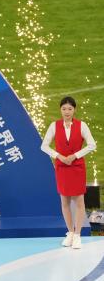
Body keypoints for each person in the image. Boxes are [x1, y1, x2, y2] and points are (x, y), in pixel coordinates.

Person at [41, 96, 97, 250]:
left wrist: (75, 156)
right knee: (64, 201)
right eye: (64, 109)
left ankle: (78, 235)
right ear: (60, 110)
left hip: (76, 167)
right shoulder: (54, 126)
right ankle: (70, 233)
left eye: (70, 109)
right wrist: (58, 156)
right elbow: (44, 146)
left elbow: (92, 145)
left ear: (74, 110)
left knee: (79, 201)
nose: (67, 112)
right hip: (62, 168)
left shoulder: (82, 125)